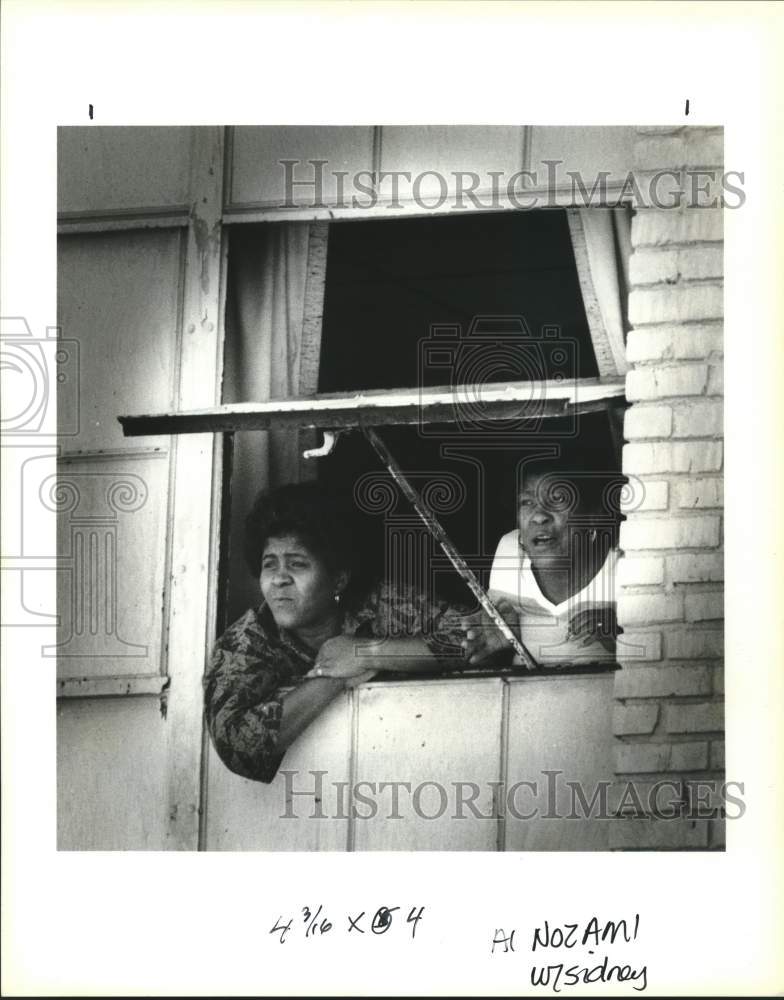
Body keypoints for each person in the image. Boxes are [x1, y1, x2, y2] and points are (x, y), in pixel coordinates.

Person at [204, 482, 466, 783]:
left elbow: (475, 638)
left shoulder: (381, 602)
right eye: (269, 565)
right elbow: (236, 745)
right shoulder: (247, 641)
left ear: (339, 579)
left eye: (298, 564)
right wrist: (332, 676)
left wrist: (367, 652)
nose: (279, 580)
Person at [462, 465, 621, 669]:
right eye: (527, 502)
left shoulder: (628, 561)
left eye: (558, 499)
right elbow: (497, 651)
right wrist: (500, 647)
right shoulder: (510, 551)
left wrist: (626, 631)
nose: (539, 516)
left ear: (594, 515)